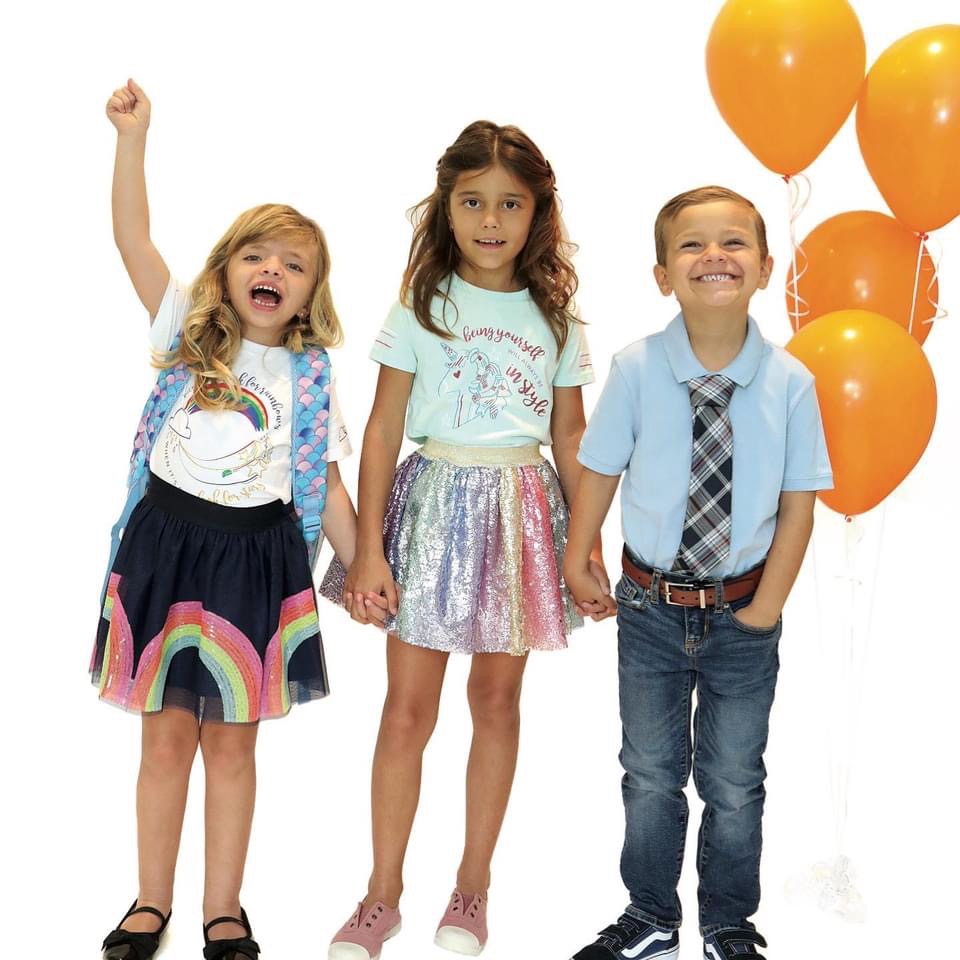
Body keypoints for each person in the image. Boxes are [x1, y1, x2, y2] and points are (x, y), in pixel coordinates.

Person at [92, 79, 381, 960]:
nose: (273, 272)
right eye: (258, 255)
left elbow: (326, 484)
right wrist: (132, 139)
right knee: (164, 745)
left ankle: (224, 909)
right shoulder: (186, 332)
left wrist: (367, 567)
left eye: (295, 265)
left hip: (254, 563)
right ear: (224, 270)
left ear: (311, 293)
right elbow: (132, 238)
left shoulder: (310, 376)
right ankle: (151, 902)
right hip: (167, 551)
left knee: (231, 750)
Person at [322, 120, 604, 959]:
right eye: (473, 202)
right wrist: (368, 550)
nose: (490, 220)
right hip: (432, 504)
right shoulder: (421, 306)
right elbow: (381, 429)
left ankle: (472, 886)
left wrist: (585, 545)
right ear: (446, 208)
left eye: (510, 204)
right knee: (407, 710)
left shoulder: (556, 318)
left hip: (520, 513)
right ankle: (381, 894)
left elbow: (571, 437)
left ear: (537, 212)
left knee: (497, 703)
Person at [563, 187, 833, 960]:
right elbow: (599, 470)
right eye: (692, 244)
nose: (713, 255)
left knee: (735, 779)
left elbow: (799, 506)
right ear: (662, 276)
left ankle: (727, 923)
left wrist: (765, 609)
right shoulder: (636, 369)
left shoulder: (791, 382)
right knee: (649, 771)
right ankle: (651, 914)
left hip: (744, 614)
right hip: (650, 607)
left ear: (765, 268)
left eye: (733, 242)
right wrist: (580, 557)